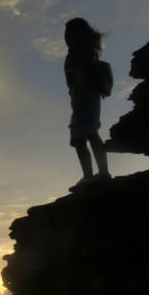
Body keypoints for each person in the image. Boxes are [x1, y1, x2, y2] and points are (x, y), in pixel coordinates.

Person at [64, 17, 111, 191]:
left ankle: (91, 176)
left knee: (80, 137)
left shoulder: (80, 52)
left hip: (84, 100)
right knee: (89, 134)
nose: (65, 37)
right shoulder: (86, 51)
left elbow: (81, 78)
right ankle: (100, 174)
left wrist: (78, 98)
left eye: (68, 33)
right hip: (85, 100)